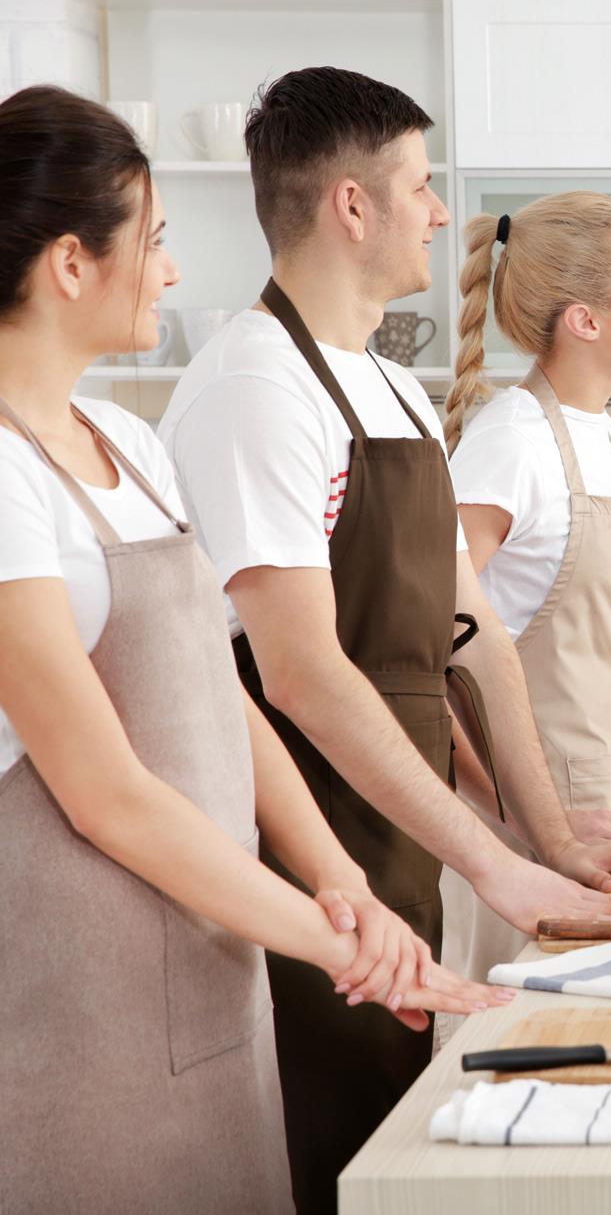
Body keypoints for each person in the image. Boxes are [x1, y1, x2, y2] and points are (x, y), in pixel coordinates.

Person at [157, 68, 611, 1213]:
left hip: (397, 841)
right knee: (330, 1141)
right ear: (352, 205)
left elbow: (475, 639)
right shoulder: (253, 389)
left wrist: (552, 843)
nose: (442, 213)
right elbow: (299, 675)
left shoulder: (395, 392)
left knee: (398, 1134)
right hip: (293, 846)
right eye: (420, 184)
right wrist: (498, 859)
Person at [0, 85, 505, 1213]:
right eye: (158, 239)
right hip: (81, 998)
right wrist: (339, 945)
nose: (173, 271)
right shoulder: (3, 478)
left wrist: (341, 884)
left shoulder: (123, 443)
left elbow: (224, 700)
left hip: (217, 967)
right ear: (70, 264)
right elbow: (107, 794)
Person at [439, 191, 611, 987]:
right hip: (534, 848)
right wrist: (521, 815)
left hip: (599, 826)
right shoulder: (514, 444)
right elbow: (425, 650)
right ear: (585, 321)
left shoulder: (595, 430)